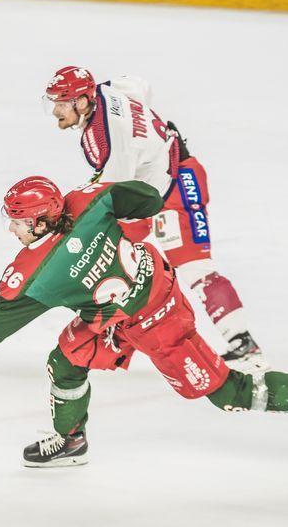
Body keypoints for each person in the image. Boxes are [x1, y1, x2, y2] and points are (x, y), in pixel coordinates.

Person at [0, 176, 288, 467]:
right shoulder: (86, 200)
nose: (12, 229)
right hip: (138, 298)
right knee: (66, 359)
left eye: (17, 222)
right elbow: (148, 198)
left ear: (38, 222)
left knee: (225, 392)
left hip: (159, 322)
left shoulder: (34, 274)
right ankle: (71, 441)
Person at [43, 66, 266, 370]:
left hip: (176, 189)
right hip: (151, 189)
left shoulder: (107, 139)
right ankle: (115, 343)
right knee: (111, 262)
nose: (55, 111)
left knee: (195, 268)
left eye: (61, 103)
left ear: (82, 102)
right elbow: (141, 86)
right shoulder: (108, 89)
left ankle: (243, 343)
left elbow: (113, 193)